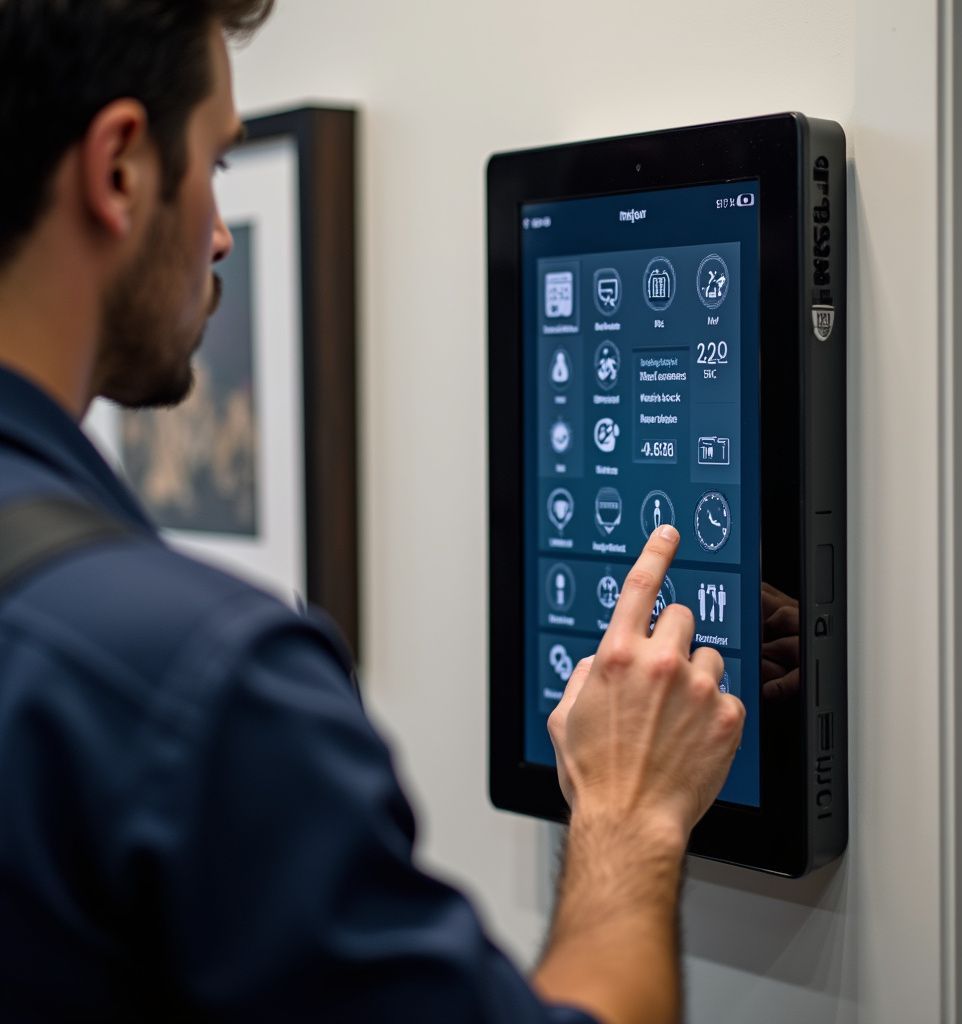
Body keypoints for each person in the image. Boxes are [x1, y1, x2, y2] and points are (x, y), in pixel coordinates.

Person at [0, 3, 745, 1022]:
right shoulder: (207, 686)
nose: (219, 234)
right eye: (217, 166)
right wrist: (628, 814)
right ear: (120, 168)